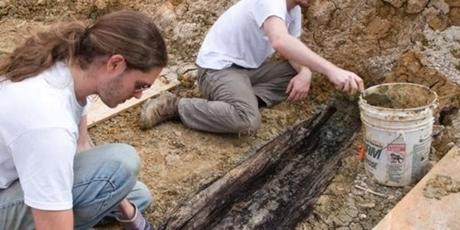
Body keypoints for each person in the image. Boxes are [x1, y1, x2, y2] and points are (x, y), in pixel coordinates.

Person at [0, 10, 167, 230]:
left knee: (135, 194)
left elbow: (82, 148)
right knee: (121, 163)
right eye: (140, 85)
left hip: (15, 177)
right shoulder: (49, 123)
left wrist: (132, 218)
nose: (138, 95)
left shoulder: (72, 69)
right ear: (115, 64)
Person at [139, 0, 364, 135]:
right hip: (218, 70)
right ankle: (175, 106)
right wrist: (331, 70)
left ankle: (237, 101)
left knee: (295, 71)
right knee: (247, 120)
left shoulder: (292, 11)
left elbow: (291, 49)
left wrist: (306, 72)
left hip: (245, 72)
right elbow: (280, 41)